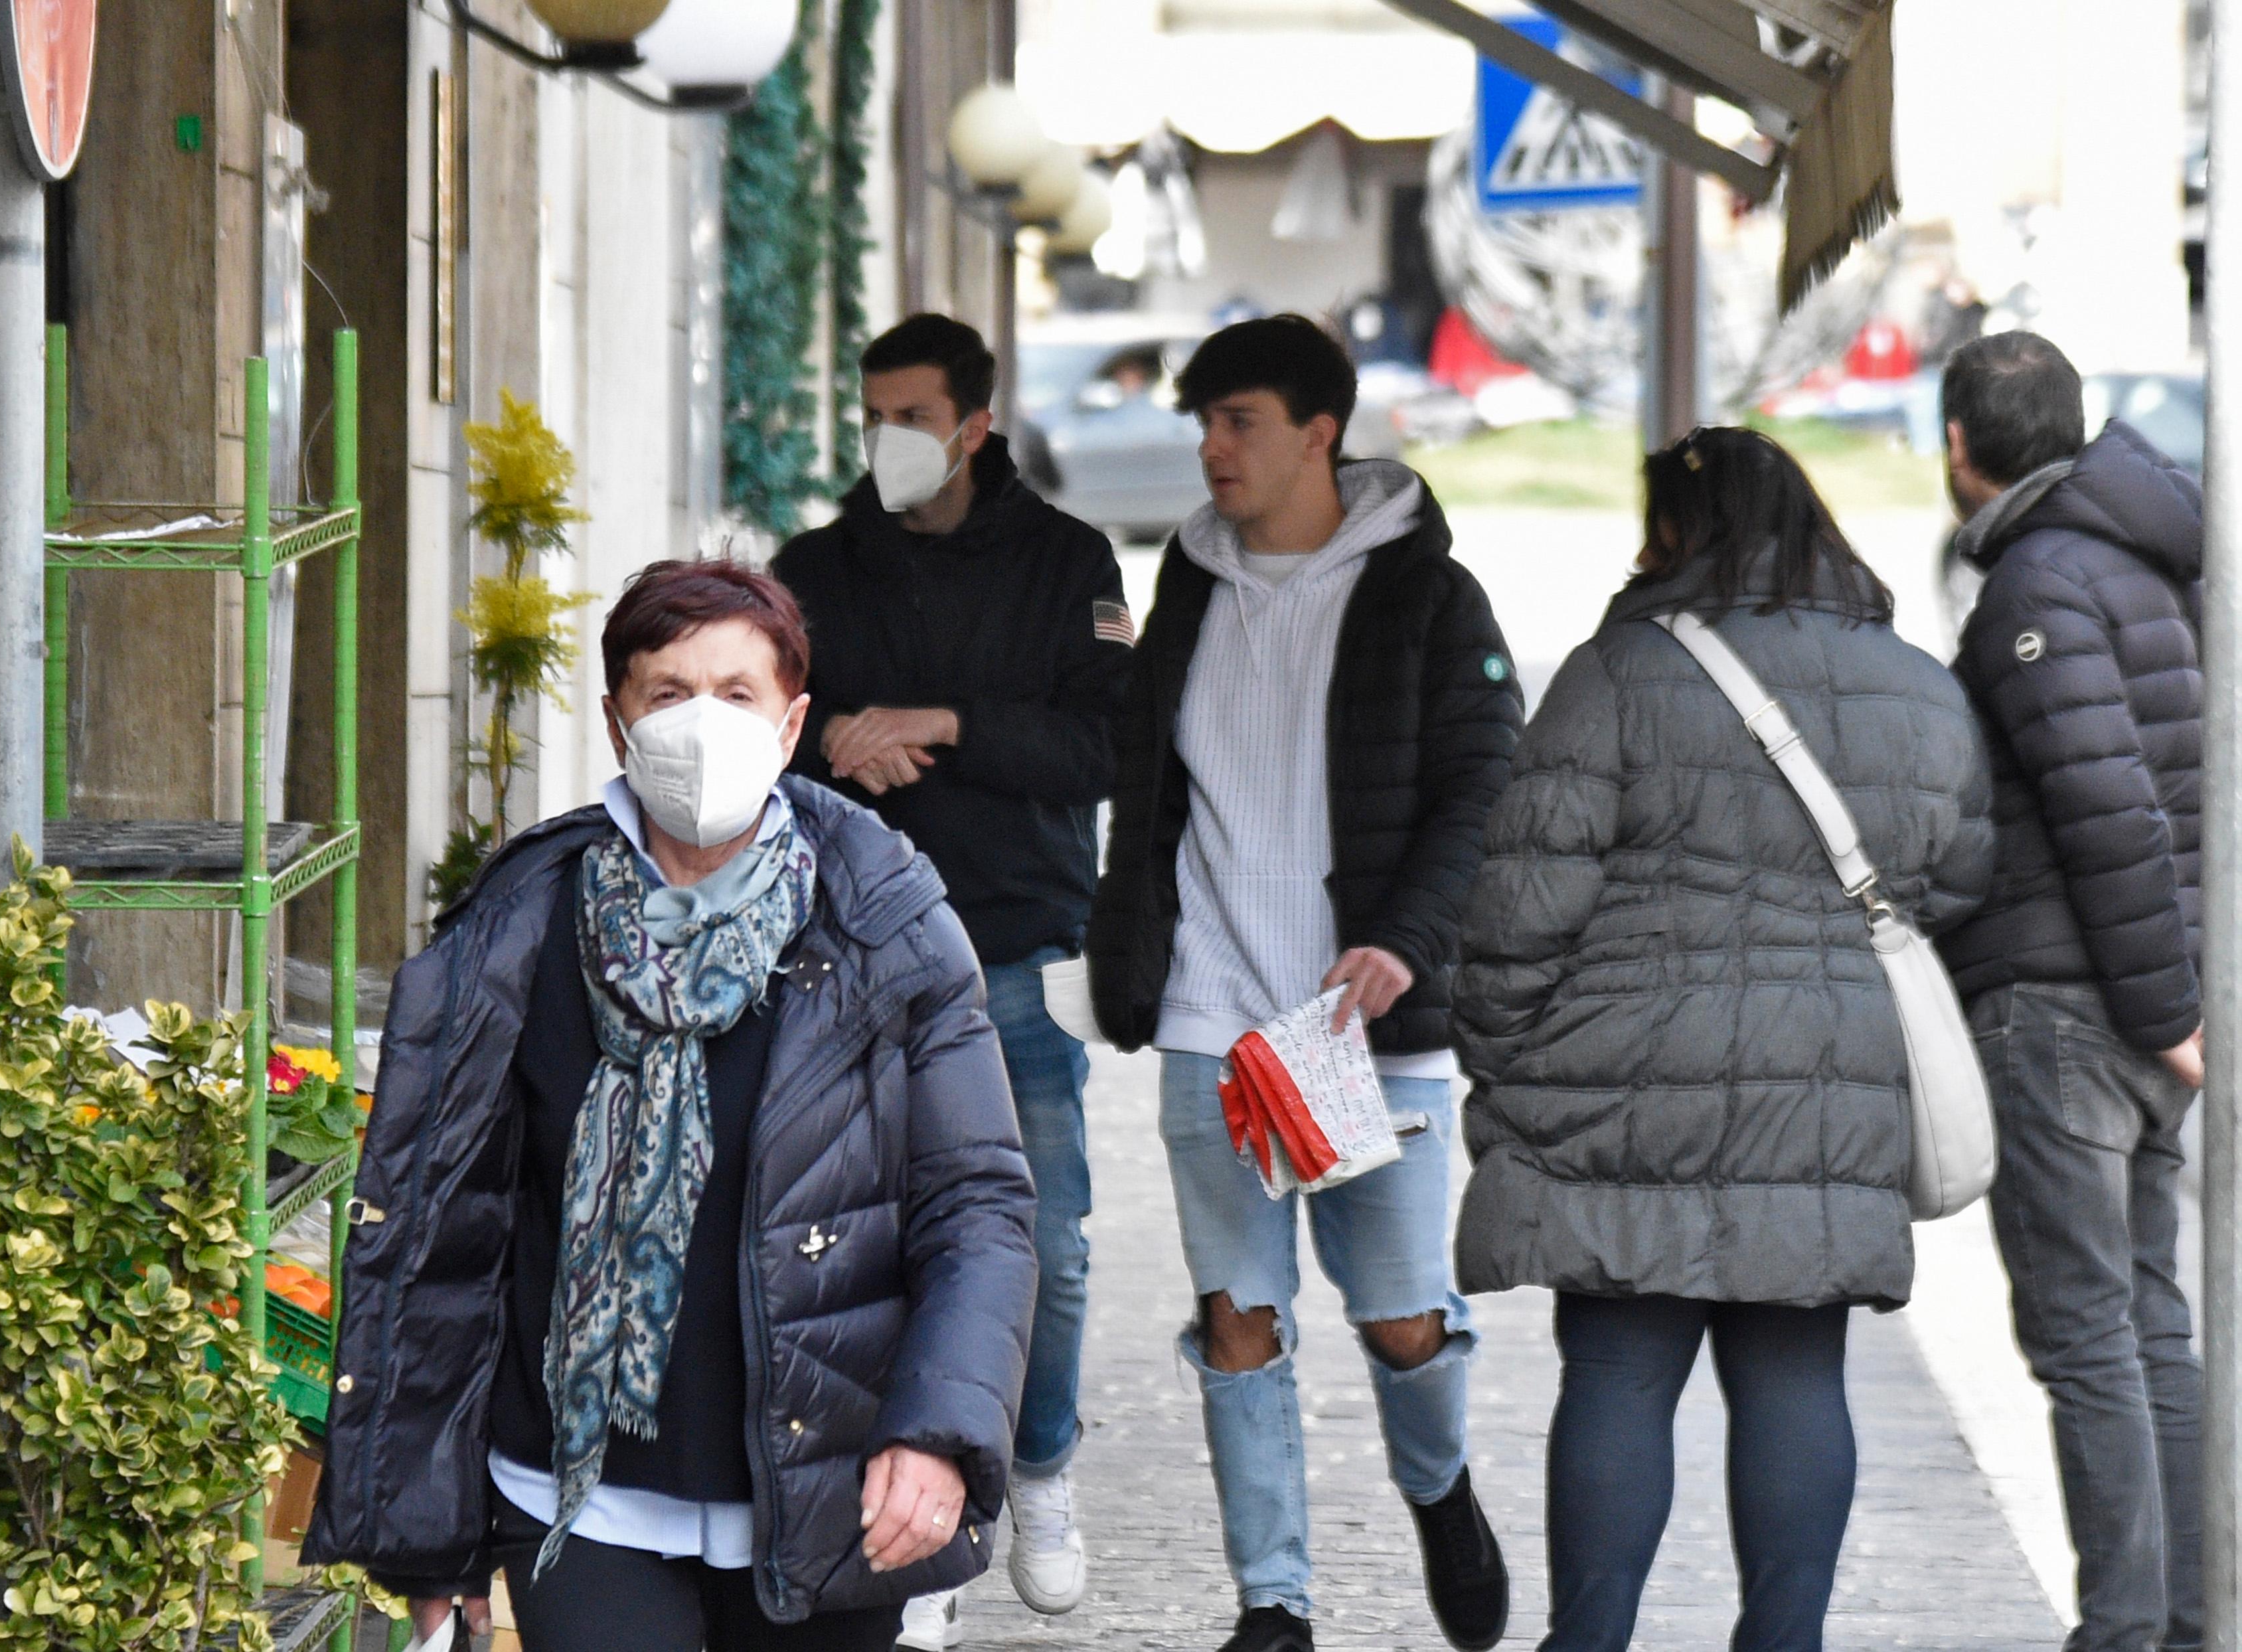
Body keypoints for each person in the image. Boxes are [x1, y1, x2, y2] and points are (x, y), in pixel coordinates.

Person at [300, 560, 1040, 1652]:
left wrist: (940, 1432)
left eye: (736, 696)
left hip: (825, 1485)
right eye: (667, 693)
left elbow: (977, 1204)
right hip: (574, 1499)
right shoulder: (523, 925)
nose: (702, 723)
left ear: (791, 725)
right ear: (616, 724)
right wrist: (430, 1533)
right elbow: (442, 1239)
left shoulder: (884, 922)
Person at [1455, 426, 1996, 1652]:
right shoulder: (1914, 683)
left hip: (1621, 1079)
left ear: (1681, 535)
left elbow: (1523, 901)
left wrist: (1506, 1050)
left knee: (1618, 1375)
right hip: (1828, 1085)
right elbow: (1957, 876)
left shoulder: (1622, 672)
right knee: (1798, 1376)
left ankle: (1587, 1642)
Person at [1086, 313, 1523, 1652]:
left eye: (1238, 422)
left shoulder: (1422, 594)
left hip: (1362, 1022)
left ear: (1317, 434)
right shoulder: (1192, 584)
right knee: (1237, 1318)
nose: (1210, 448)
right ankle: (1270, 1602)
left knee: (1400, 1323)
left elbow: (1482, 783)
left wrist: (1405, 937)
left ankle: (1439, 1489)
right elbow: (1155, 791)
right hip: (1214, 1011)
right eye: (1201, 423)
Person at [772, 312, 1131, 1646]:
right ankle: (911, 1540)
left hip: (1013, 948)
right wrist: (833, 750)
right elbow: (762, 726)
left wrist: (944, 727)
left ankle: (1033, 1464)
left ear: (975, 423)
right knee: (853, 1246)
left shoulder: (1068, 563)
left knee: (1039, 1242)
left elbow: (1107, 741)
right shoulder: (812, 567)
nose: (889, 441)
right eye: (873, 413)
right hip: (837, 952)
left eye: (913, 415)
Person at [1937, 331, 2205, 1652]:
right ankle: (2181, 1618)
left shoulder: (2033, 587)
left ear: (1955, 449)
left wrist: (2163, 1010)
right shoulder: (2145, 570)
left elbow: (2108, 811)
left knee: (2087, 1332)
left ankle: (2122, 1631)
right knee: (2146, 1317)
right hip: (2143, 1003)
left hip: (2071, 1006)